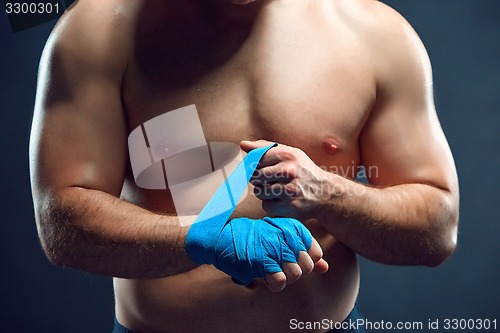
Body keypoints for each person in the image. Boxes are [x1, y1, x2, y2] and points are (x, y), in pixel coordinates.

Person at [29, 0, 459, 332]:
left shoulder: (374, 35)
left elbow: (436, 229)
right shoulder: (98, 30)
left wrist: (329, 194)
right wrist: (198, 241)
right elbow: (62, 223)